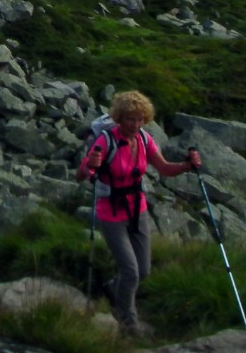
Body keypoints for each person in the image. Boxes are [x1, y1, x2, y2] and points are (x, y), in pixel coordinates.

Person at [76, 90, 202, 337]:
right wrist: (89, 166)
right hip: (111, 213)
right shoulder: (105, 141)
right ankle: (128, 323)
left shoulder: (144, 139)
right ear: (119, 118)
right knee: (131, 272)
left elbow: (164, 168)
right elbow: (81, 176)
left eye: (140, 119)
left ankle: (114, 289)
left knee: (143, 271)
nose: (135, 124)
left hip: (138, 210)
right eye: (130, 119)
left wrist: (188, 166)